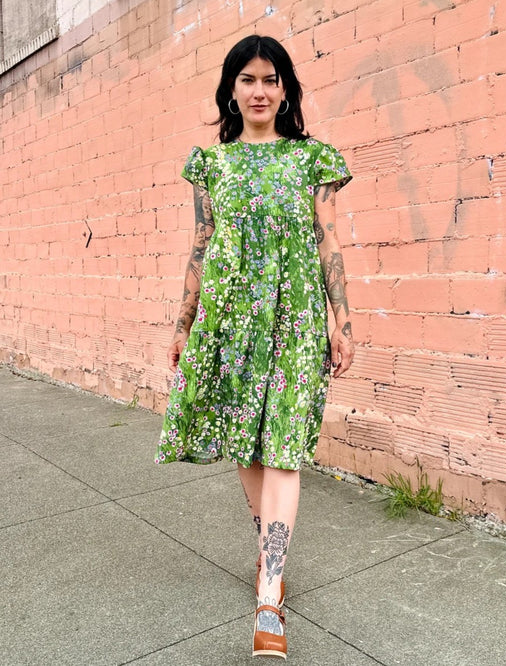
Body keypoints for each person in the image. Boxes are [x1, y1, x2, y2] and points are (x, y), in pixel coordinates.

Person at [155, 34, 354, 660]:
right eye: (248, 79)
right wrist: (183, 323)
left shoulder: (312, 159)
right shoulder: (211, 165)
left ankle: (269, 594)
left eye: (271, 79)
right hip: (231, 320)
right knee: (248, 442)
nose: (260, 90)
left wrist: (339, 320)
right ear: (231, 89)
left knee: (286, 446)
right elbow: (200, 245)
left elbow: (328, 243)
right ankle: (273, 551)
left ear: (286, 88)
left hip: (294, 318)